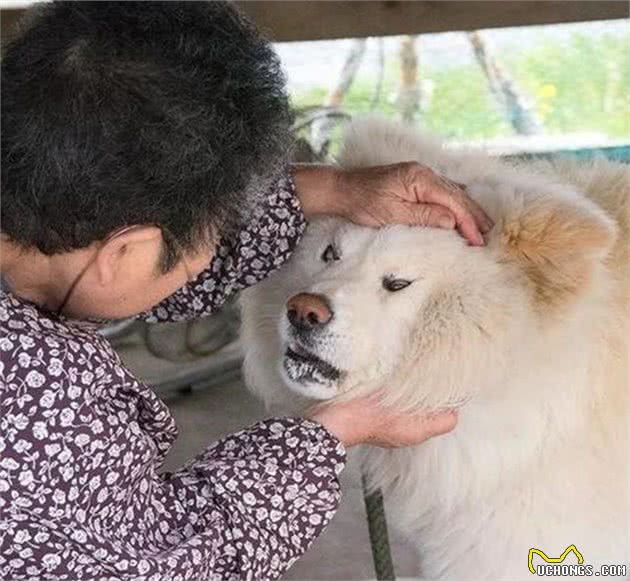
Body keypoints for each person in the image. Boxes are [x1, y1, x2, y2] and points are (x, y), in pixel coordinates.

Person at [0, 3, 492, 580]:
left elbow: (131, 276)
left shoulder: (42, 237)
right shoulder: (36, 411)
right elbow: (165, 565)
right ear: (122, 253)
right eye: (211, 240)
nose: (215, 259)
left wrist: (333, 190)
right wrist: (333, 433)